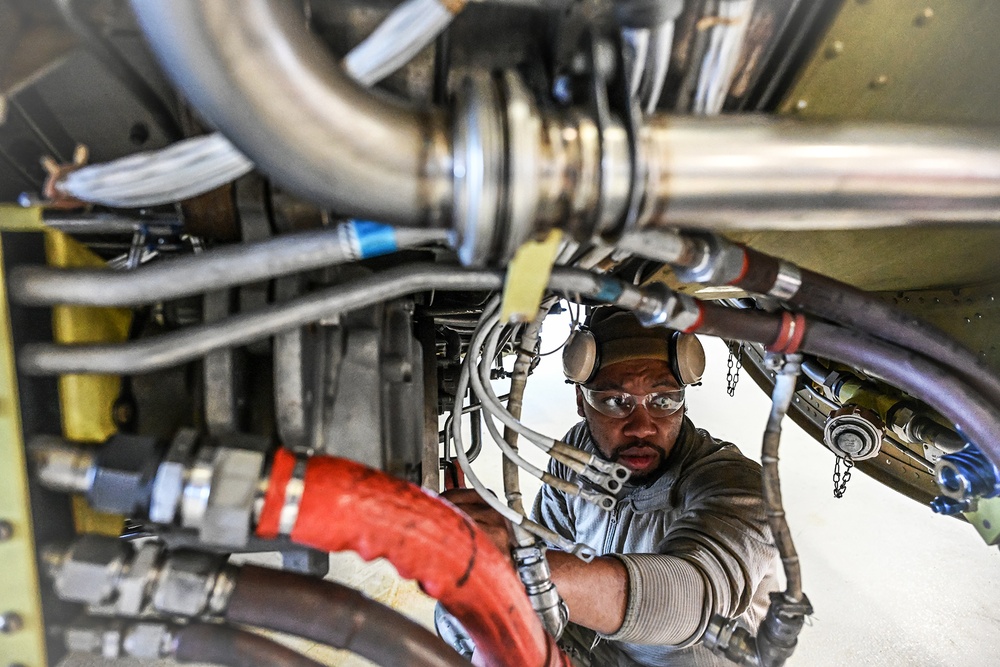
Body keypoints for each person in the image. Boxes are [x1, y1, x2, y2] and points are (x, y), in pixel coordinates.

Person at [444, 307, 778, 667]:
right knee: (464, 616)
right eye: (615, 402)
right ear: (581, 403)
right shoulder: (577, 456)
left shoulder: (737, 487)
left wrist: (518, 568)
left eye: (663, 400)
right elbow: (549, 549)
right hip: (602, 651)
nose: (641, 427)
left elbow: (695, 597)